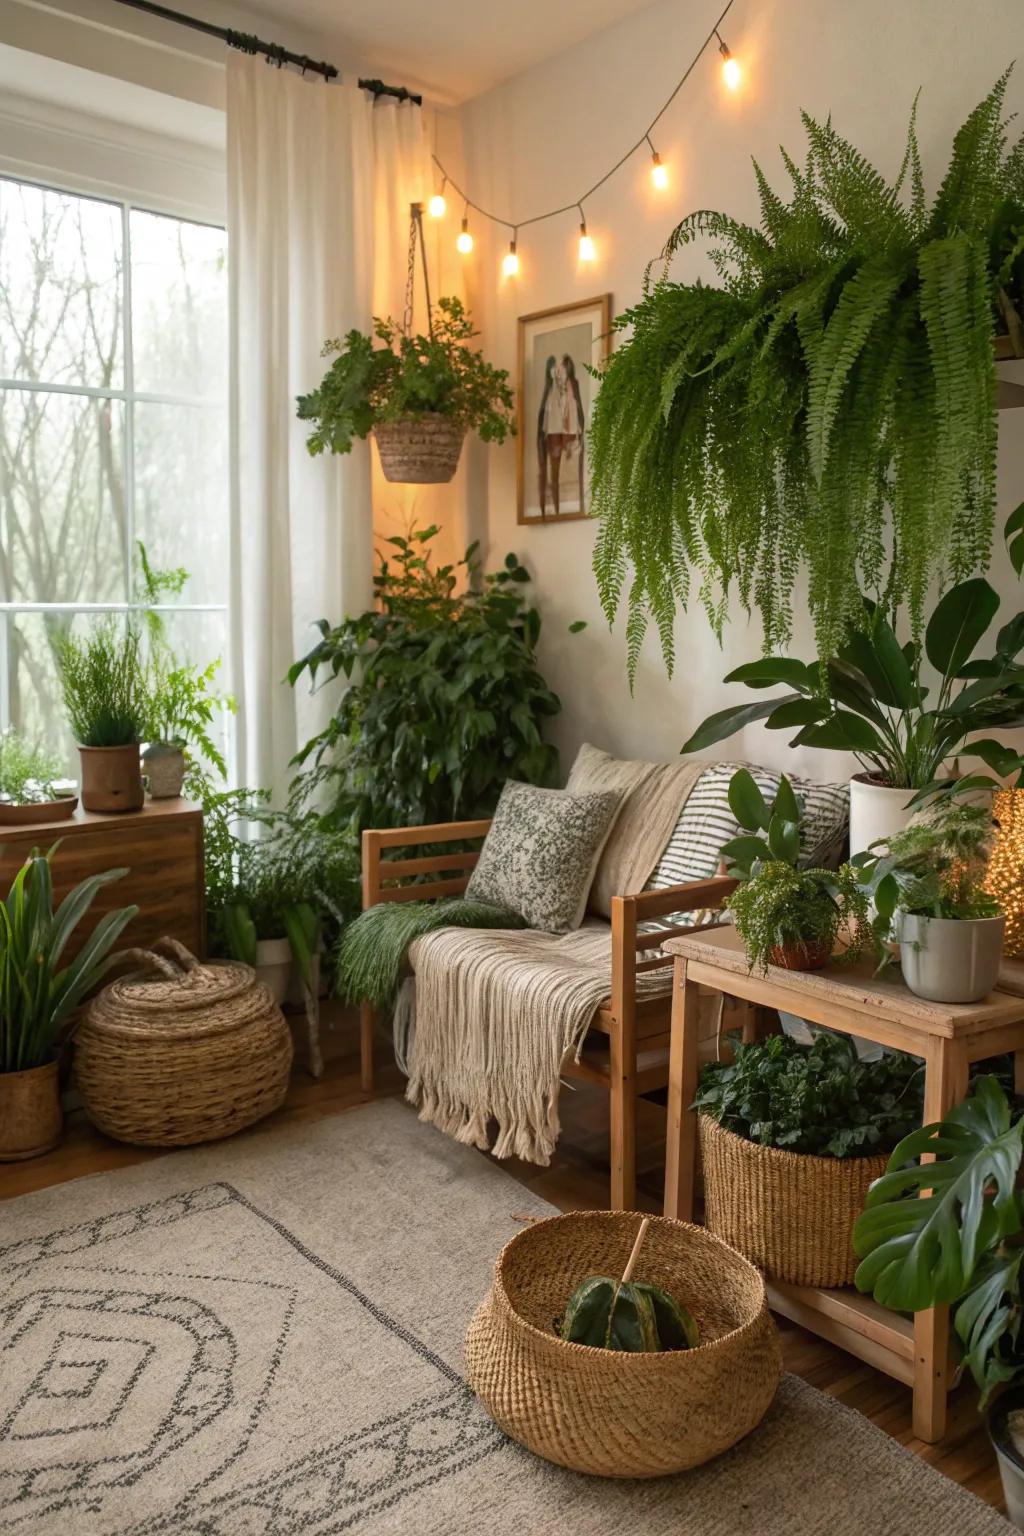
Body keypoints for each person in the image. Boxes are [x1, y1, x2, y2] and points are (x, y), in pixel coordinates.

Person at [536, 352, 585, 515]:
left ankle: (569, 505)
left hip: (570, 432)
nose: (559, 373)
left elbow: (577, 410)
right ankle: (554, 507)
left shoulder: (573, 386)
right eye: (556, 370)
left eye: (562, 370)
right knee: (554, 469)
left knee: (569, 469)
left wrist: (578, 430)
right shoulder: (550, 389)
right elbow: (544, 413)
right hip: (553, 432)